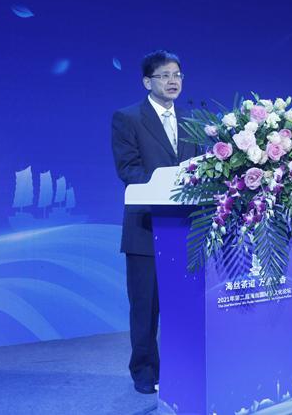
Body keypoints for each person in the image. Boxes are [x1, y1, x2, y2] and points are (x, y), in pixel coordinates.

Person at [111, 50, 197, 394]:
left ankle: (183, 367)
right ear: (147, 82)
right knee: (146, 306)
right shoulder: (128, 118)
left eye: (177, 74)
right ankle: (145, 372)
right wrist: (168, 184)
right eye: (164, 75)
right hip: (146, 226)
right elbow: (128, 169)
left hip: (187, 227)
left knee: (185, 304)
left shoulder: (191, 120)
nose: (172, 81)